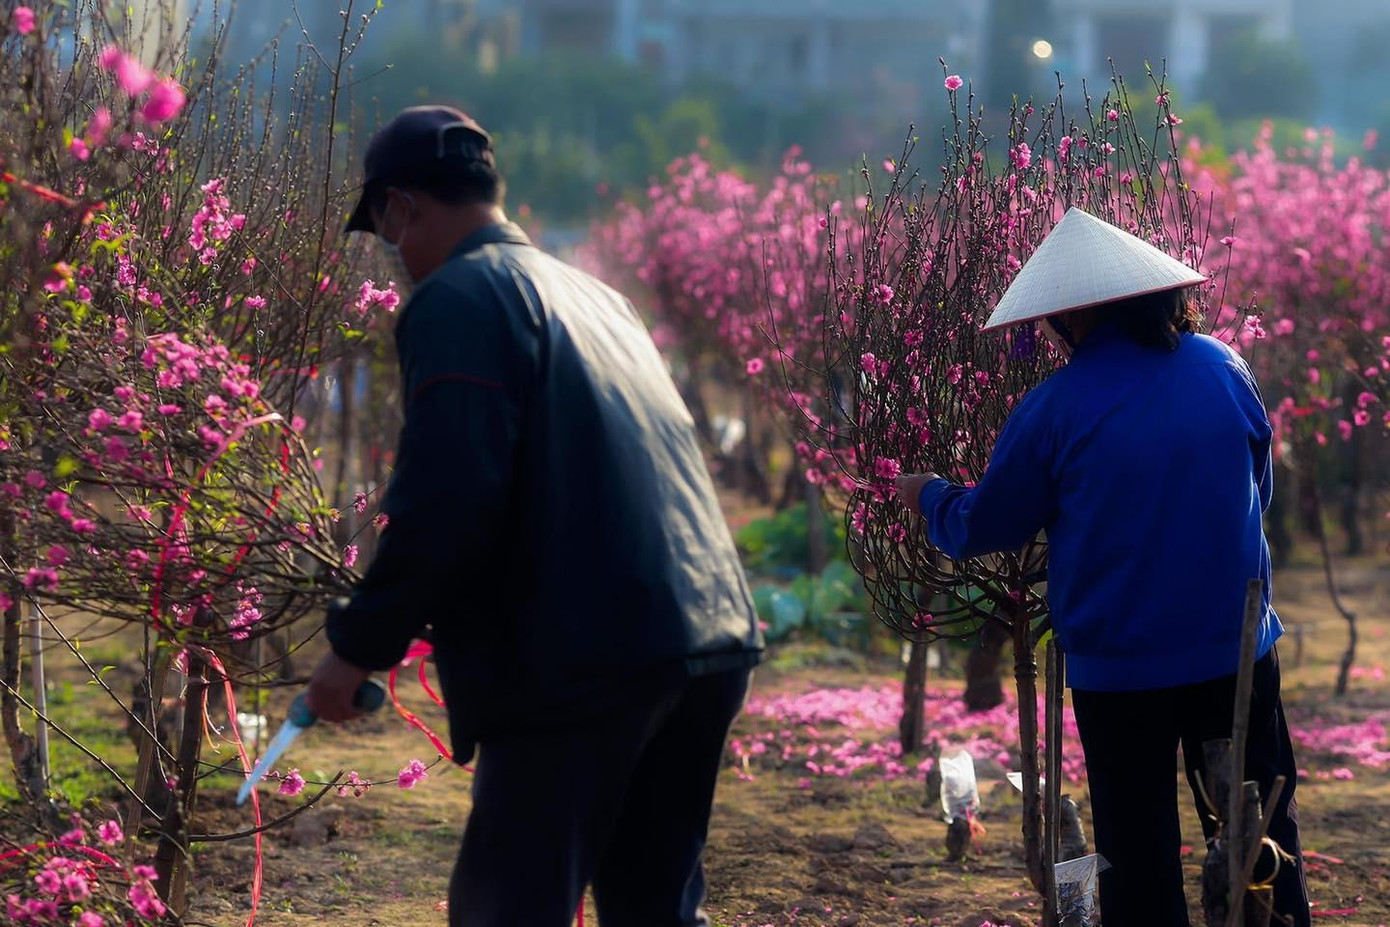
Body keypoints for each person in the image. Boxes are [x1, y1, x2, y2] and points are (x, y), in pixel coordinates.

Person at [305, 105, 764, 927]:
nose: (396, 257)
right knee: (653, 908)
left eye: (385, 232)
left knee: (508, 908)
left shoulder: (457, 297)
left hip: (585, 656)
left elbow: (447, 493)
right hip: (706, 634)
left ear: (403, 206)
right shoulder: (597, 296)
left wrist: (358, 646)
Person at [895, 208, 1311, 927]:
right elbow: (1257, 489)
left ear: (1074, 316)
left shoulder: (1055, 407)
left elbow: (985, 524)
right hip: (1236, 651)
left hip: (1122, 673)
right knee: (1259, 843)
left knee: (1139, 857)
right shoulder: (1223, 367)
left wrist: (926, 494)